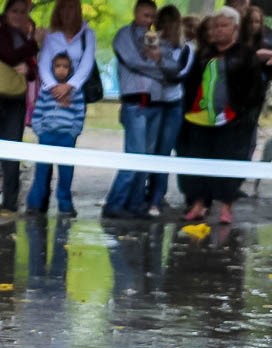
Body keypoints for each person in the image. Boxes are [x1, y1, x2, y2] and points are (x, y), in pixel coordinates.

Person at [178, 7, 272, 224]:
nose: (218, 31)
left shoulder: (246, 55)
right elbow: (191, 85)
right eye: (216, 26)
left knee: (228, 163)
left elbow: (254, 92)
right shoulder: (203, 53)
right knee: (197, 161)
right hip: (199, 119)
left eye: (224, 26)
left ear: (235, 28)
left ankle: (226, 208)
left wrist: (241, 115)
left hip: (231, 122)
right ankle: (199, 204)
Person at [0, 0, 44, 213]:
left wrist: (27, 69)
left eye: (23, 12)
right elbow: (7, 55)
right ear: (7, 11)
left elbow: (31, 69)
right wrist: (34, 44)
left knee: (13, 147)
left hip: (16, 97)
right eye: (15, 11)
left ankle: (11, 199)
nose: (19, 15)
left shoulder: (24, 37)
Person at [101, 0, 165, 220]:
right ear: (136, 13)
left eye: (152, 17)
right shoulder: (123, 36)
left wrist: (161, 62)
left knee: (146, 158)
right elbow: (134, 62)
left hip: (156, 102)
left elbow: (170, 63)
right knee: (134, 156)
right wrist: (159, 67)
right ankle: (114, 204)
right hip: (134, 102)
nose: (149, 20)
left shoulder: (158, 38)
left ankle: (136, 204)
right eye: (146, 15)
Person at [144, 4, 193, 217]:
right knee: (149, 150)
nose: (166, 27)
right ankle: (145, 193)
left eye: (170, 23)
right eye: (161, 23)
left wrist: (160, 63)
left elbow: (179, 74)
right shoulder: (152, 45)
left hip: (173, 104)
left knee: (164, 150)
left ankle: (157, 197)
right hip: (153, 102)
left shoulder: (186, 49)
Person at [25, 53, 85, 216]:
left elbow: (79, 113)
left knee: (66, 173)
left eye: (65, 67)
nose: (61, 70)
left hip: (66, 137)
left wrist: (74, 132)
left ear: (70, 69)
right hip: (47, 136)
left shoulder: (76, 92)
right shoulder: (46, 91)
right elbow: (37, 112)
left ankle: (65, 205)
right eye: (58, 66)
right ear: (52, 69)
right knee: (42, 171)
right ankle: (35, 204)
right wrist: (40, 130)